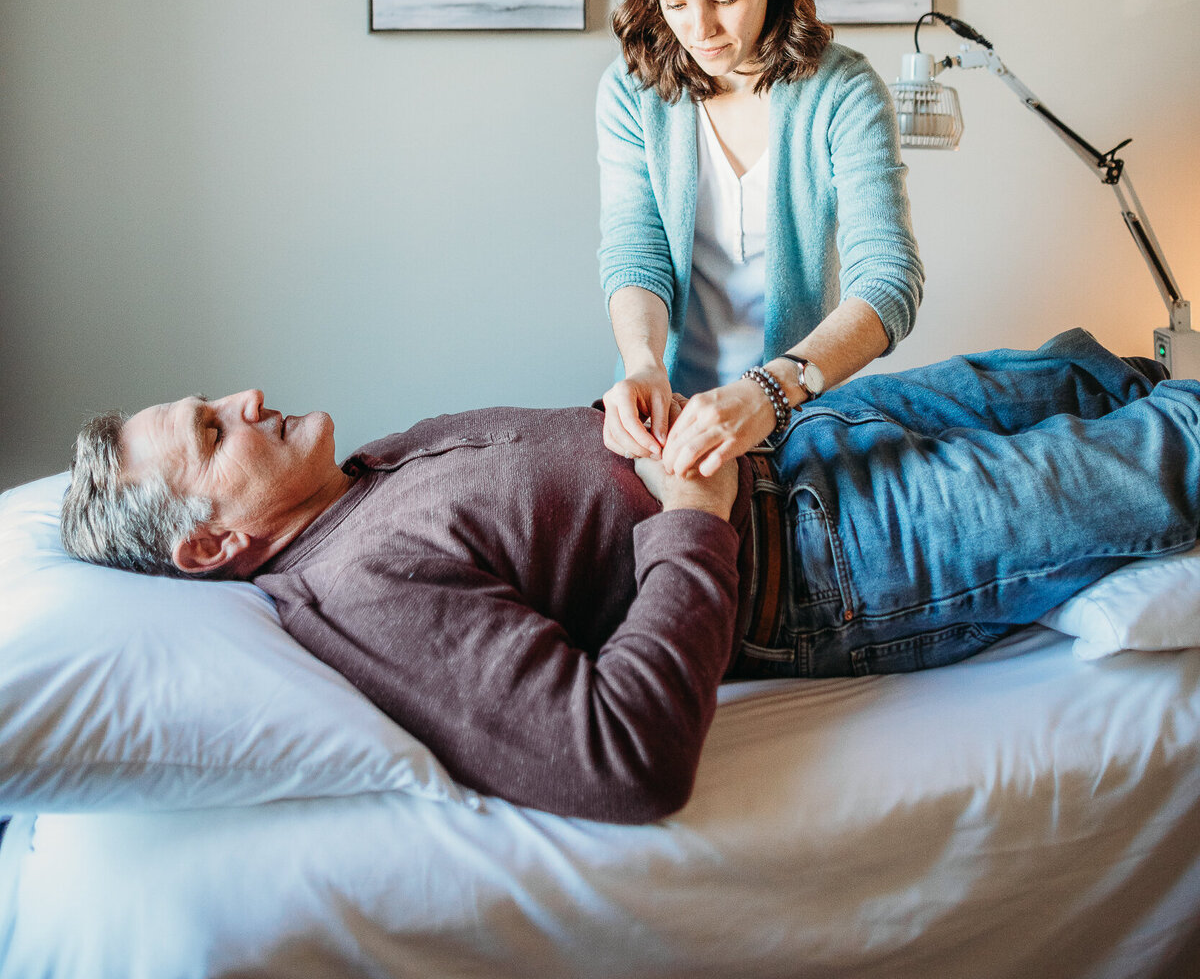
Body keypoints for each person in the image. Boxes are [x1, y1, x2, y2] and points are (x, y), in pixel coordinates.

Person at [61, 332, 1200, 825]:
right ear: (210, 547)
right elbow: (622, 763)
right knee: (1173, 451)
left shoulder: (366, 472)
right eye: (216, 428)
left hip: (796, 436)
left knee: (1088, 368)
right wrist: (694, 524)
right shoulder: (360, 593)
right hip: (828, 554)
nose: (247, 396)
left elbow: (561, 504)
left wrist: (624, 412)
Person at [597, 0, 923, 481]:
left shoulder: (843, 91)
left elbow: (887, 279)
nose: (700, 30)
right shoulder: (632, 90)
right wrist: (642, 363)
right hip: (667, 414)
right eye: (675, 4)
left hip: (793, 411)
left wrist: (769, 394)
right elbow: (634, 249)